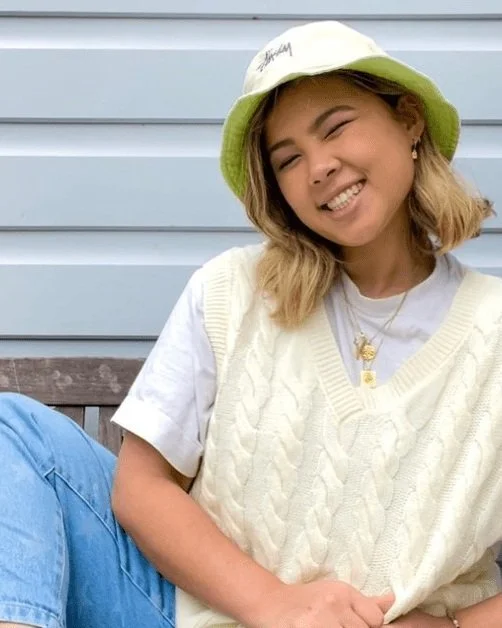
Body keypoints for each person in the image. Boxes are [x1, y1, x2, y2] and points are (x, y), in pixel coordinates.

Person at [1, 19, 502, 628]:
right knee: (11, 428)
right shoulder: (230, 290)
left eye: (336, 127)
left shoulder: (493, 330)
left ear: (409, 121)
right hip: (188, 613)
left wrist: (451, 626)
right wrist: (273, 605)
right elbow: (142, 487)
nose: (319, 167)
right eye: (288, 159)